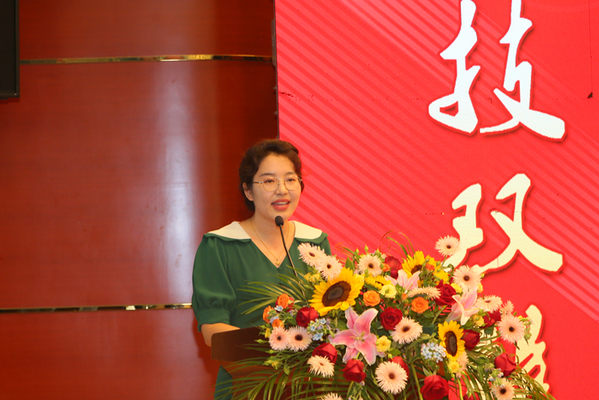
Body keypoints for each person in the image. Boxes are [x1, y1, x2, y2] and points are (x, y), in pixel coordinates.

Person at [191, 139, 331, 399]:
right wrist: (279, 352)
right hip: (248, 386)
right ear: (248, 191)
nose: (282, 190)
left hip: (309, 388)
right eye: (269, 181)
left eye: (290, 179)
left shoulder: (315, 242)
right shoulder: (220, 246)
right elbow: (213, 330)